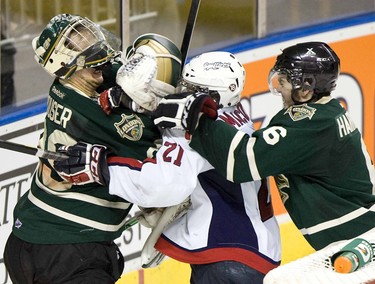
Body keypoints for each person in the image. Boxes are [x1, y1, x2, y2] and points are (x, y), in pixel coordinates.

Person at [55, 51, 282, 283]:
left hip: (228, 257)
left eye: (192, 89)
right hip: (254, 249)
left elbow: (163, 184)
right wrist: (136, 103)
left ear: (213, 95)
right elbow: (179, 112)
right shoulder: (234, 115)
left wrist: (101, 167)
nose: (184, 92)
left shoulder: (201, 132)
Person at [3, 13, 182, 284]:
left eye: (90, 36)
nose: (96, 47)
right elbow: (164, 159)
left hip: (29, 241)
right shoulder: (96, 118)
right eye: (82, 43)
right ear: (64, 62)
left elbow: (120, 70)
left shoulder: (71, 83)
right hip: (67, 253)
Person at [154, 41, 375, 251]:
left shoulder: (311, 124)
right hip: (362, 237)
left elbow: (241, 162)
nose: (278, 87)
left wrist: (195, 118)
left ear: (306, 90)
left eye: (285, 81)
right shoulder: (326, 114)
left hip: (363, 240)